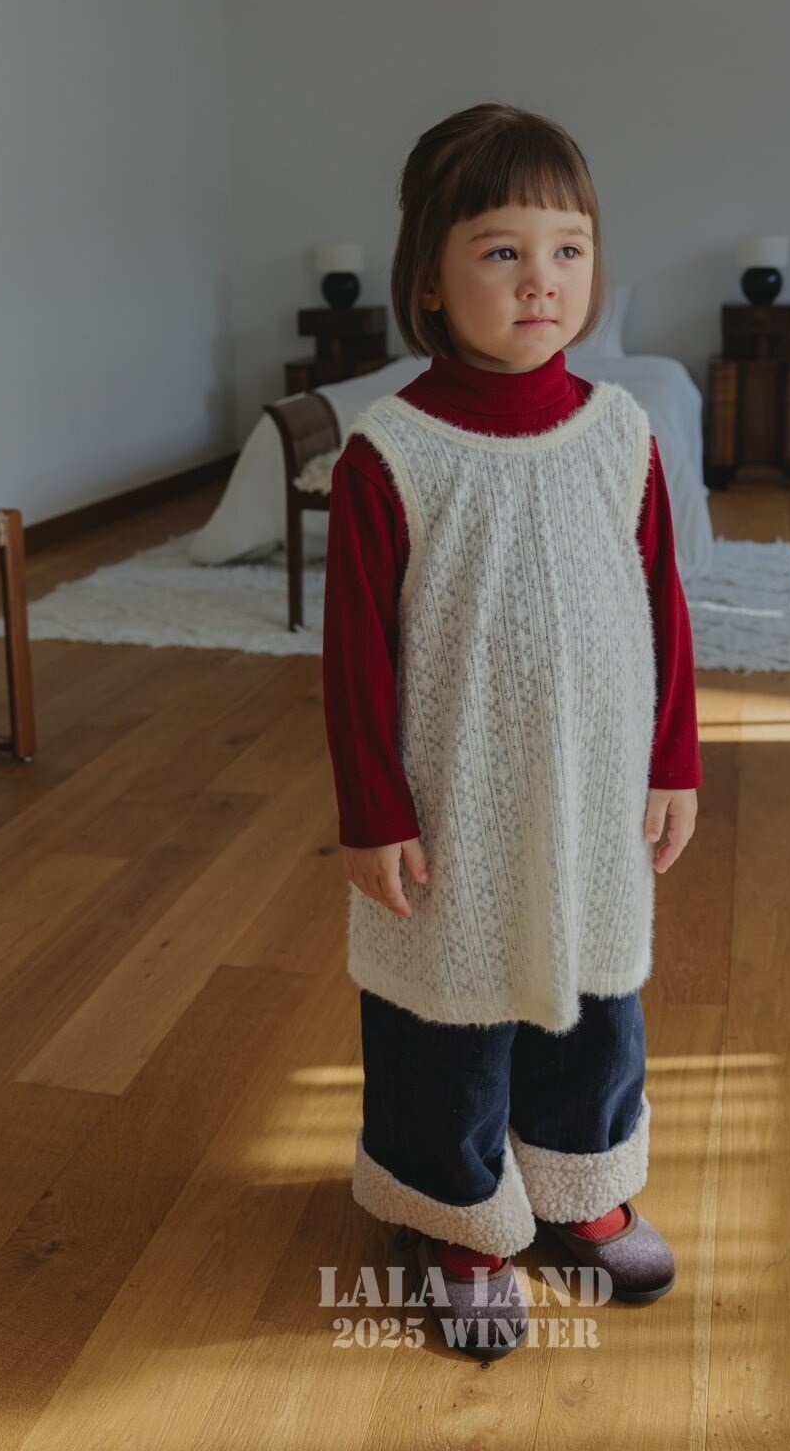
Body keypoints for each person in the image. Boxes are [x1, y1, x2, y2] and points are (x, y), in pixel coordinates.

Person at [322, 102, 702, 1357]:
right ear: (429, 278)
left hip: (595, 795)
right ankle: (455, 1215)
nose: (539, 279)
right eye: (499, 251)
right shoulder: (391, 454)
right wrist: (373, 813)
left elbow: (660, 610)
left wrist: (672, 761)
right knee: (449, 1014)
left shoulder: (620, 432)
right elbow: (355, 659)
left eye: (565, 249)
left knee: (593, 995)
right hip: (451, 804)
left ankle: (578, 1186)